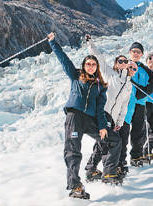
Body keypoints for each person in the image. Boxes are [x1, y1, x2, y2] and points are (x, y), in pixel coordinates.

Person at [47, 32, 121, 200]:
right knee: (73, 151)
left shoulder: (100, 86)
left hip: (90, 120)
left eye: (93, 64)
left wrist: (102, 126)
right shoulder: (75, 76)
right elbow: (64, 60)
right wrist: (53, 43)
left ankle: (109, 173)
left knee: (114, 139)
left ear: (97, 67)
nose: (91, 66)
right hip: (74, 117)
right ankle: (75, 186)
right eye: (88, 64)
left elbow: (100, 109)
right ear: (84, 65)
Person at [84, 35, 138, 182]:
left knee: (103, 142)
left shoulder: (128, 85)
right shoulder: (109, 73)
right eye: (121, 61)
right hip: (103, 112)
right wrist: (90, 43)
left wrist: (119, 121)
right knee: (112, 142)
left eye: (126, 62)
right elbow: (98, 57)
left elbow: (124, 105)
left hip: (113, 118)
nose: (124, 63)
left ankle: (91, 169)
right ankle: (108, 172)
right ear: (116, 63)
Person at [124, 42, 153, 167]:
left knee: (138, 131)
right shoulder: (124, 65)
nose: (135, 53)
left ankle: (136, 156)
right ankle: (119, 160)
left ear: (141, 54)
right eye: (133, 51)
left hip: (140, 104)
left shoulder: (145, 69)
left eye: (138, 52)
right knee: (123, 131)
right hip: (125, 103)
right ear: (130, 52)